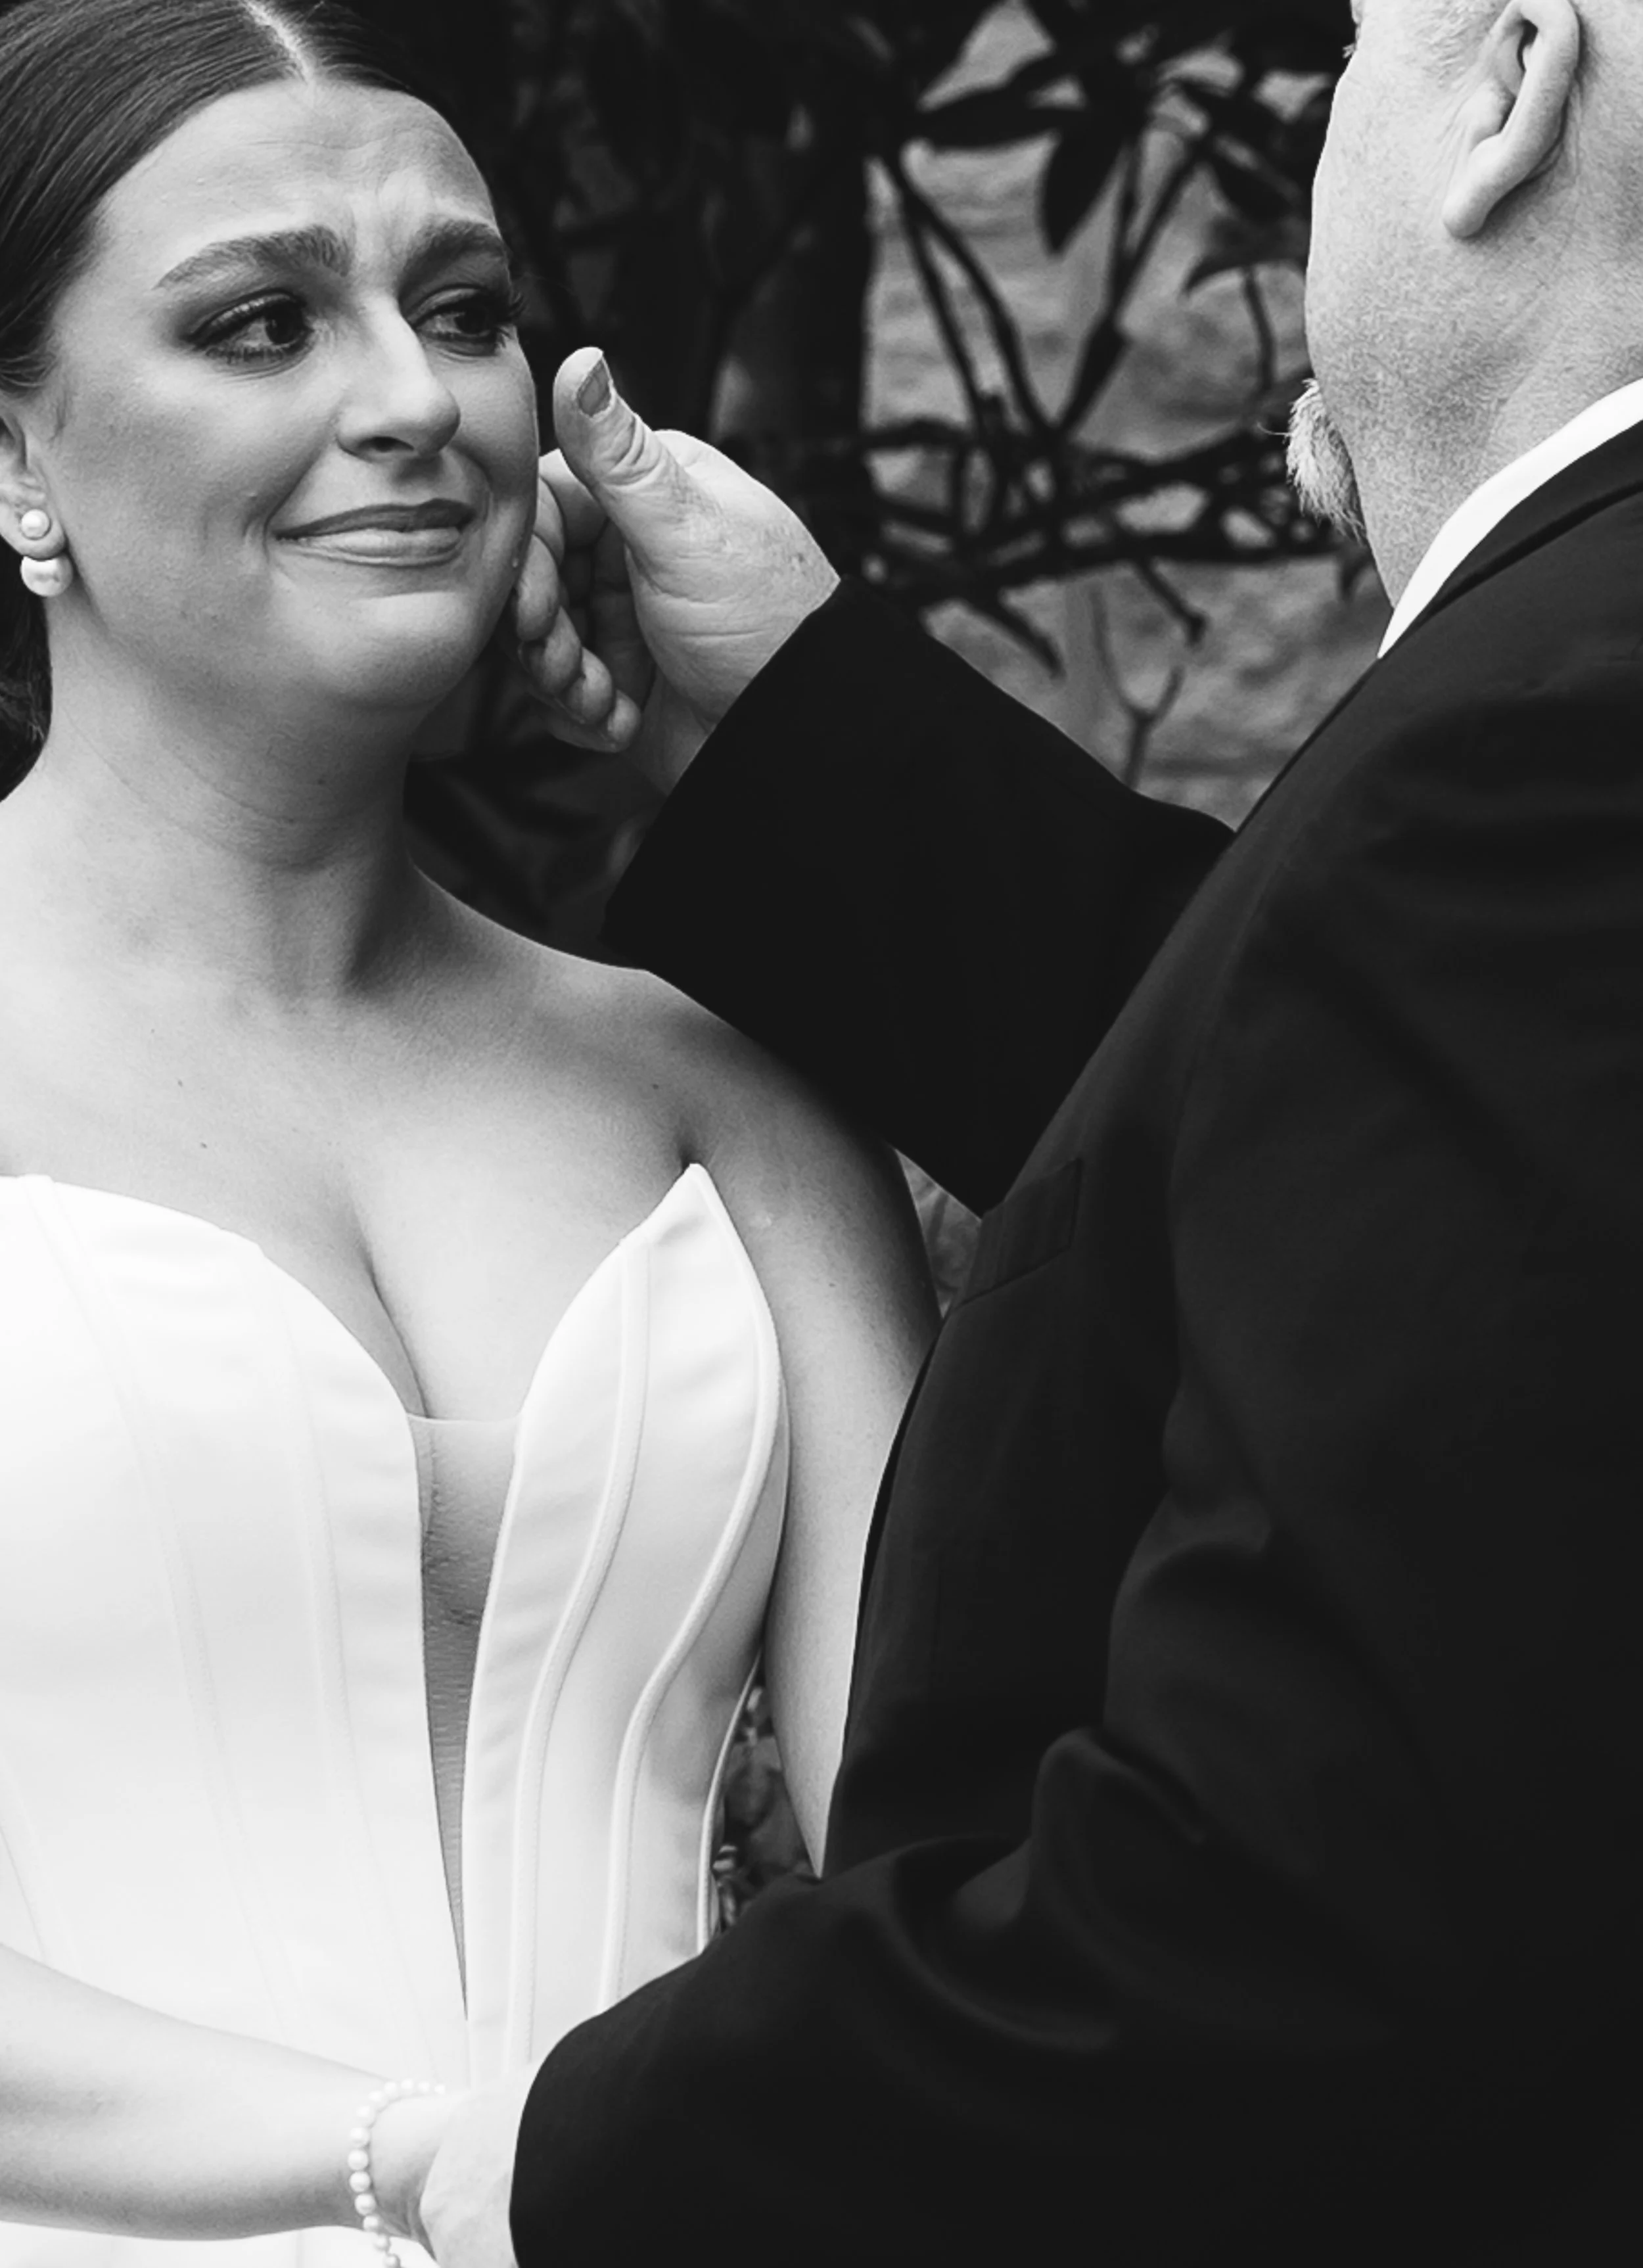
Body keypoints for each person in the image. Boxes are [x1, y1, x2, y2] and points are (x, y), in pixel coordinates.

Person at [413, 1, 1643, 2258]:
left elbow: (1293, 1893)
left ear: (1506, 91)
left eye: (1358, 55)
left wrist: (560, 2176)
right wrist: (805, 707)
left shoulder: (1548, 739)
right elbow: (1427, 1206)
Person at [0, 0, 933, 2260]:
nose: (416, 399)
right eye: (259, 321)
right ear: (14, 462)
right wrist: (421, 2155)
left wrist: (765, 763)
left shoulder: (717, 1095)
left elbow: (962, 1851)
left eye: (465, 310)